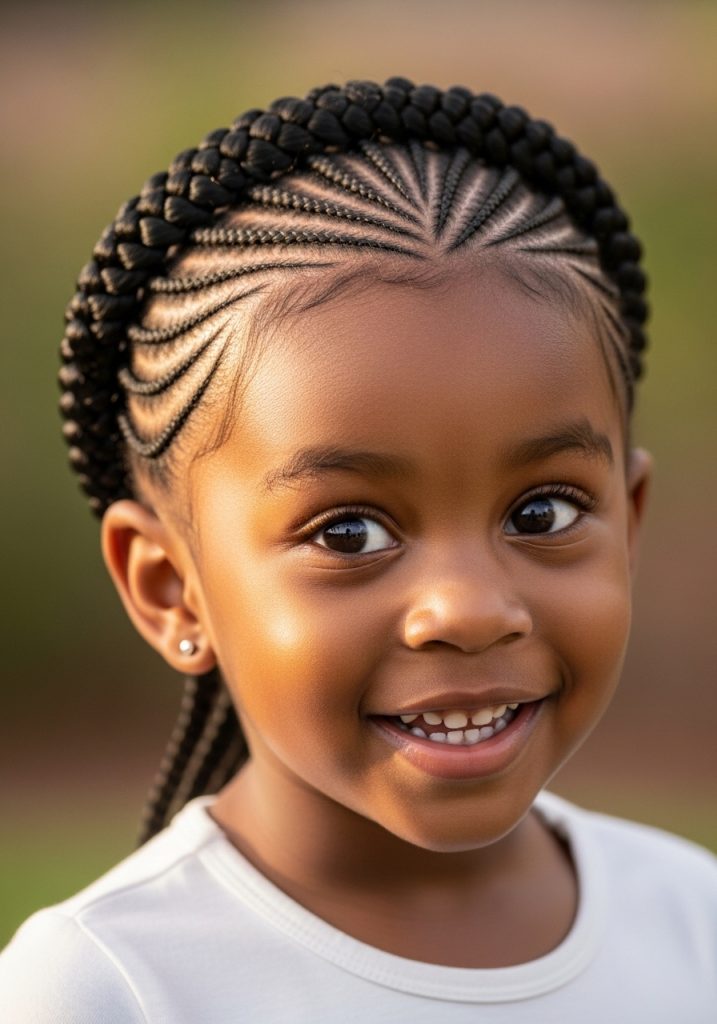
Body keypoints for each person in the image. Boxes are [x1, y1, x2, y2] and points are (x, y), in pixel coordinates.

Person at [1, 77, 715, 1020]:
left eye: (540, 513)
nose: (467, 608)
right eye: (349, 532)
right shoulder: (109, 987)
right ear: (173, 588)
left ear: (626, 520)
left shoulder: (692, 920)